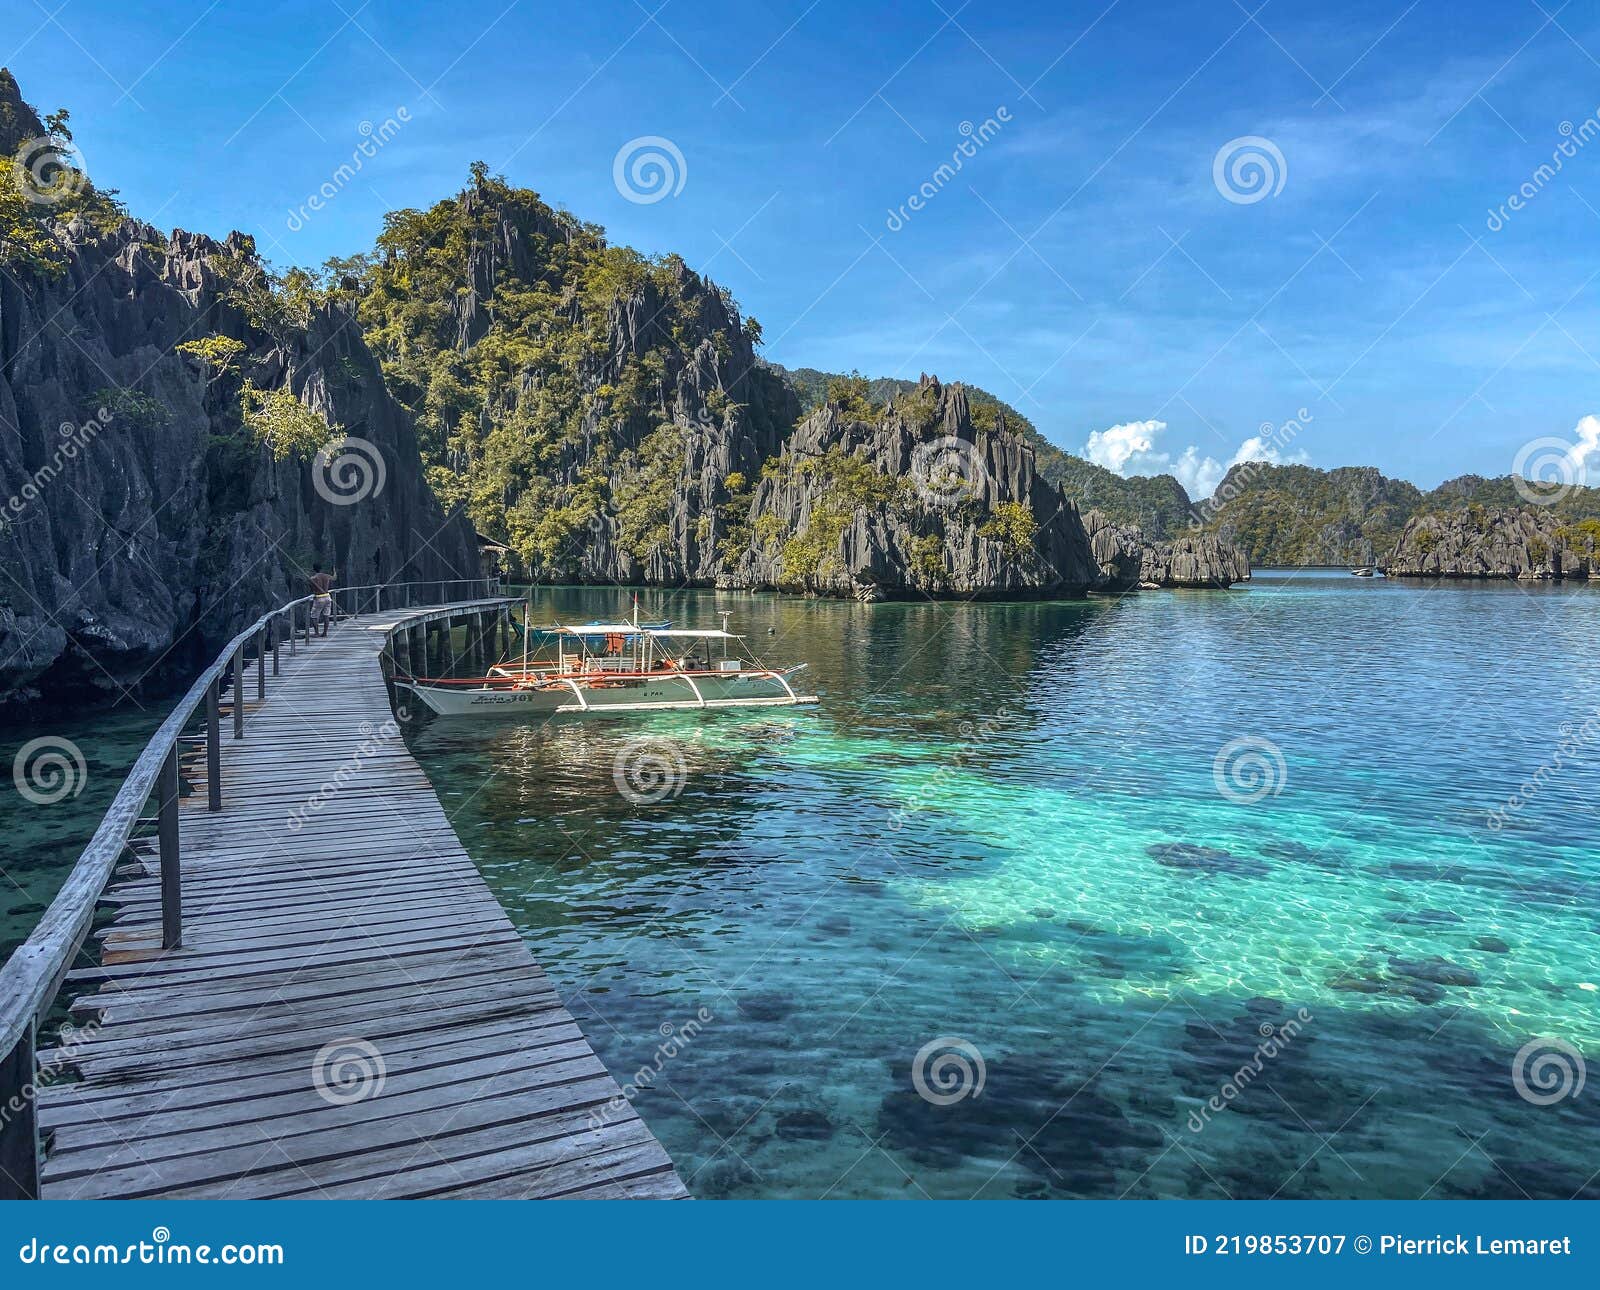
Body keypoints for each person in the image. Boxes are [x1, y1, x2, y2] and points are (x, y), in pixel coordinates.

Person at [309, 563, 337, 637]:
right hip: (328, 597)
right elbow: (334, 578)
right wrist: (334, 570)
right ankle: (325, 633)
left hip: (319, 598)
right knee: (326, 615)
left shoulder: (313, 578)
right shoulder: (326, 576)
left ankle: (317, 633)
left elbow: (312, 589)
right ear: (321, 569)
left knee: (314, 616)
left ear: (313, 569)